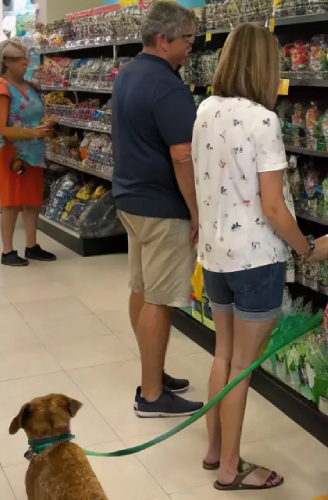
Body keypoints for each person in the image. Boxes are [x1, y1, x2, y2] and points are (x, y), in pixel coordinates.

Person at [192, 23, 328, 491]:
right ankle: (232, 469)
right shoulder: (262, 120)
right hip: (255, 260)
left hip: (214, 257)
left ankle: (215, 451)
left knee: (223, 355)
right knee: (241, 368)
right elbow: (273, 206)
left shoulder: (205, 110)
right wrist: (309, 248)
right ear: (265, 66)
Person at [111, 2, 204, 418]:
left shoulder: (129, 72)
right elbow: (182, 156)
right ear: (163, 38)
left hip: (131, 199)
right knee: (160, 300)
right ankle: (151, 396)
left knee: (141, 289)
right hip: (163, 206)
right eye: (186, 40)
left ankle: (154, 371)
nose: (191, 48)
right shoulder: (167, 86)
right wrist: (195, 208)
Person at [0, 40, 56, 266]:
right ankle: (7, 251)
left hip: (34, 153)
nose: (26, 63)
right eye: (20, 59)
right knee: (11, 202)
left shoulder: (30, 87)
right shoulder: (2, 89)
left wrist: (45, 124)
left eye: (26, 58)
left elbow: (34, 114)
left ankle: (32, 245)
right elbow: (4, 129)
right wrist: (34, 132)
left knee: (32, 200)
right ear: (7, 62)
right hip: (14, 155)